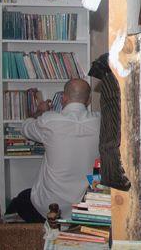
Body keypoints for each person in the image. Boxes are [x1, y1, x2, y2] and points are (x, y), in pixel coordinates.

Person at [7, 79, 100, 222]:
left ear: (63, 98)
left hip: (49, 206)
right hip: (86, 205)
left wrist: (40, 111)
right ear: (88, 100)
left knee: (17, 202)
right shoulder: (100, 121)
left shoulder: (49, 120)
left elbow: (25, 128)